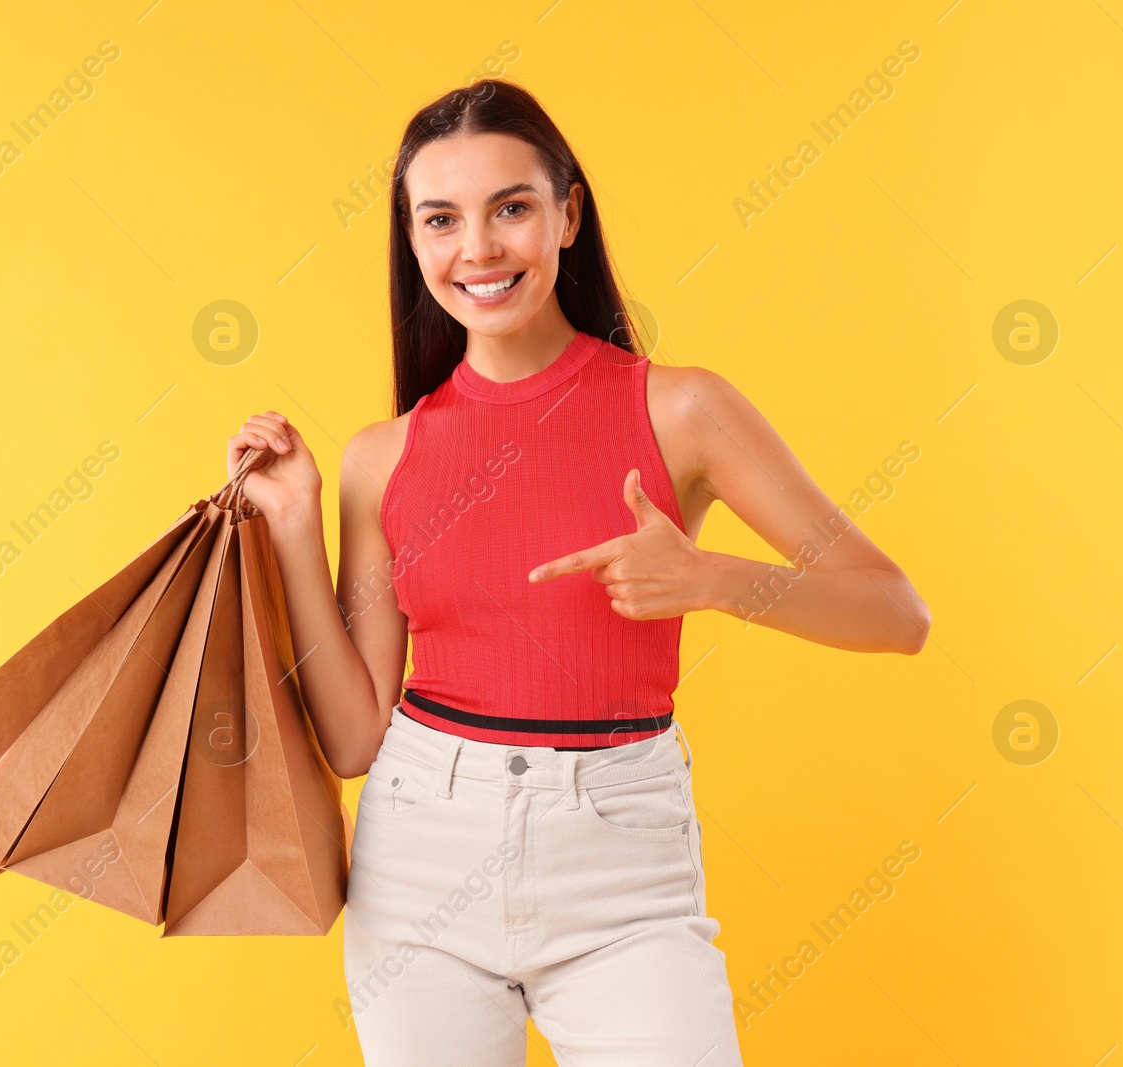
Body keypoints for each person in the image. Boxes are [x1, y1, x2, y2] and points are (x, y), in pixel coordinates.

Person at [226, 78, 930, 1067]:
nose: (477, 248)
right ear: (412, 241)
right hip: (420, 855)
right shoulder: (378, 457)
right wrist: (295, 526)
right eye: (441, 219)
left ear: (566, 213)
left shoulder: (685, 409)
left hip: (622, 862)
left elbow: (897, 612)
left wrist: (711, 579)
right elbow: (351, 737)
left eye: (510, 207)